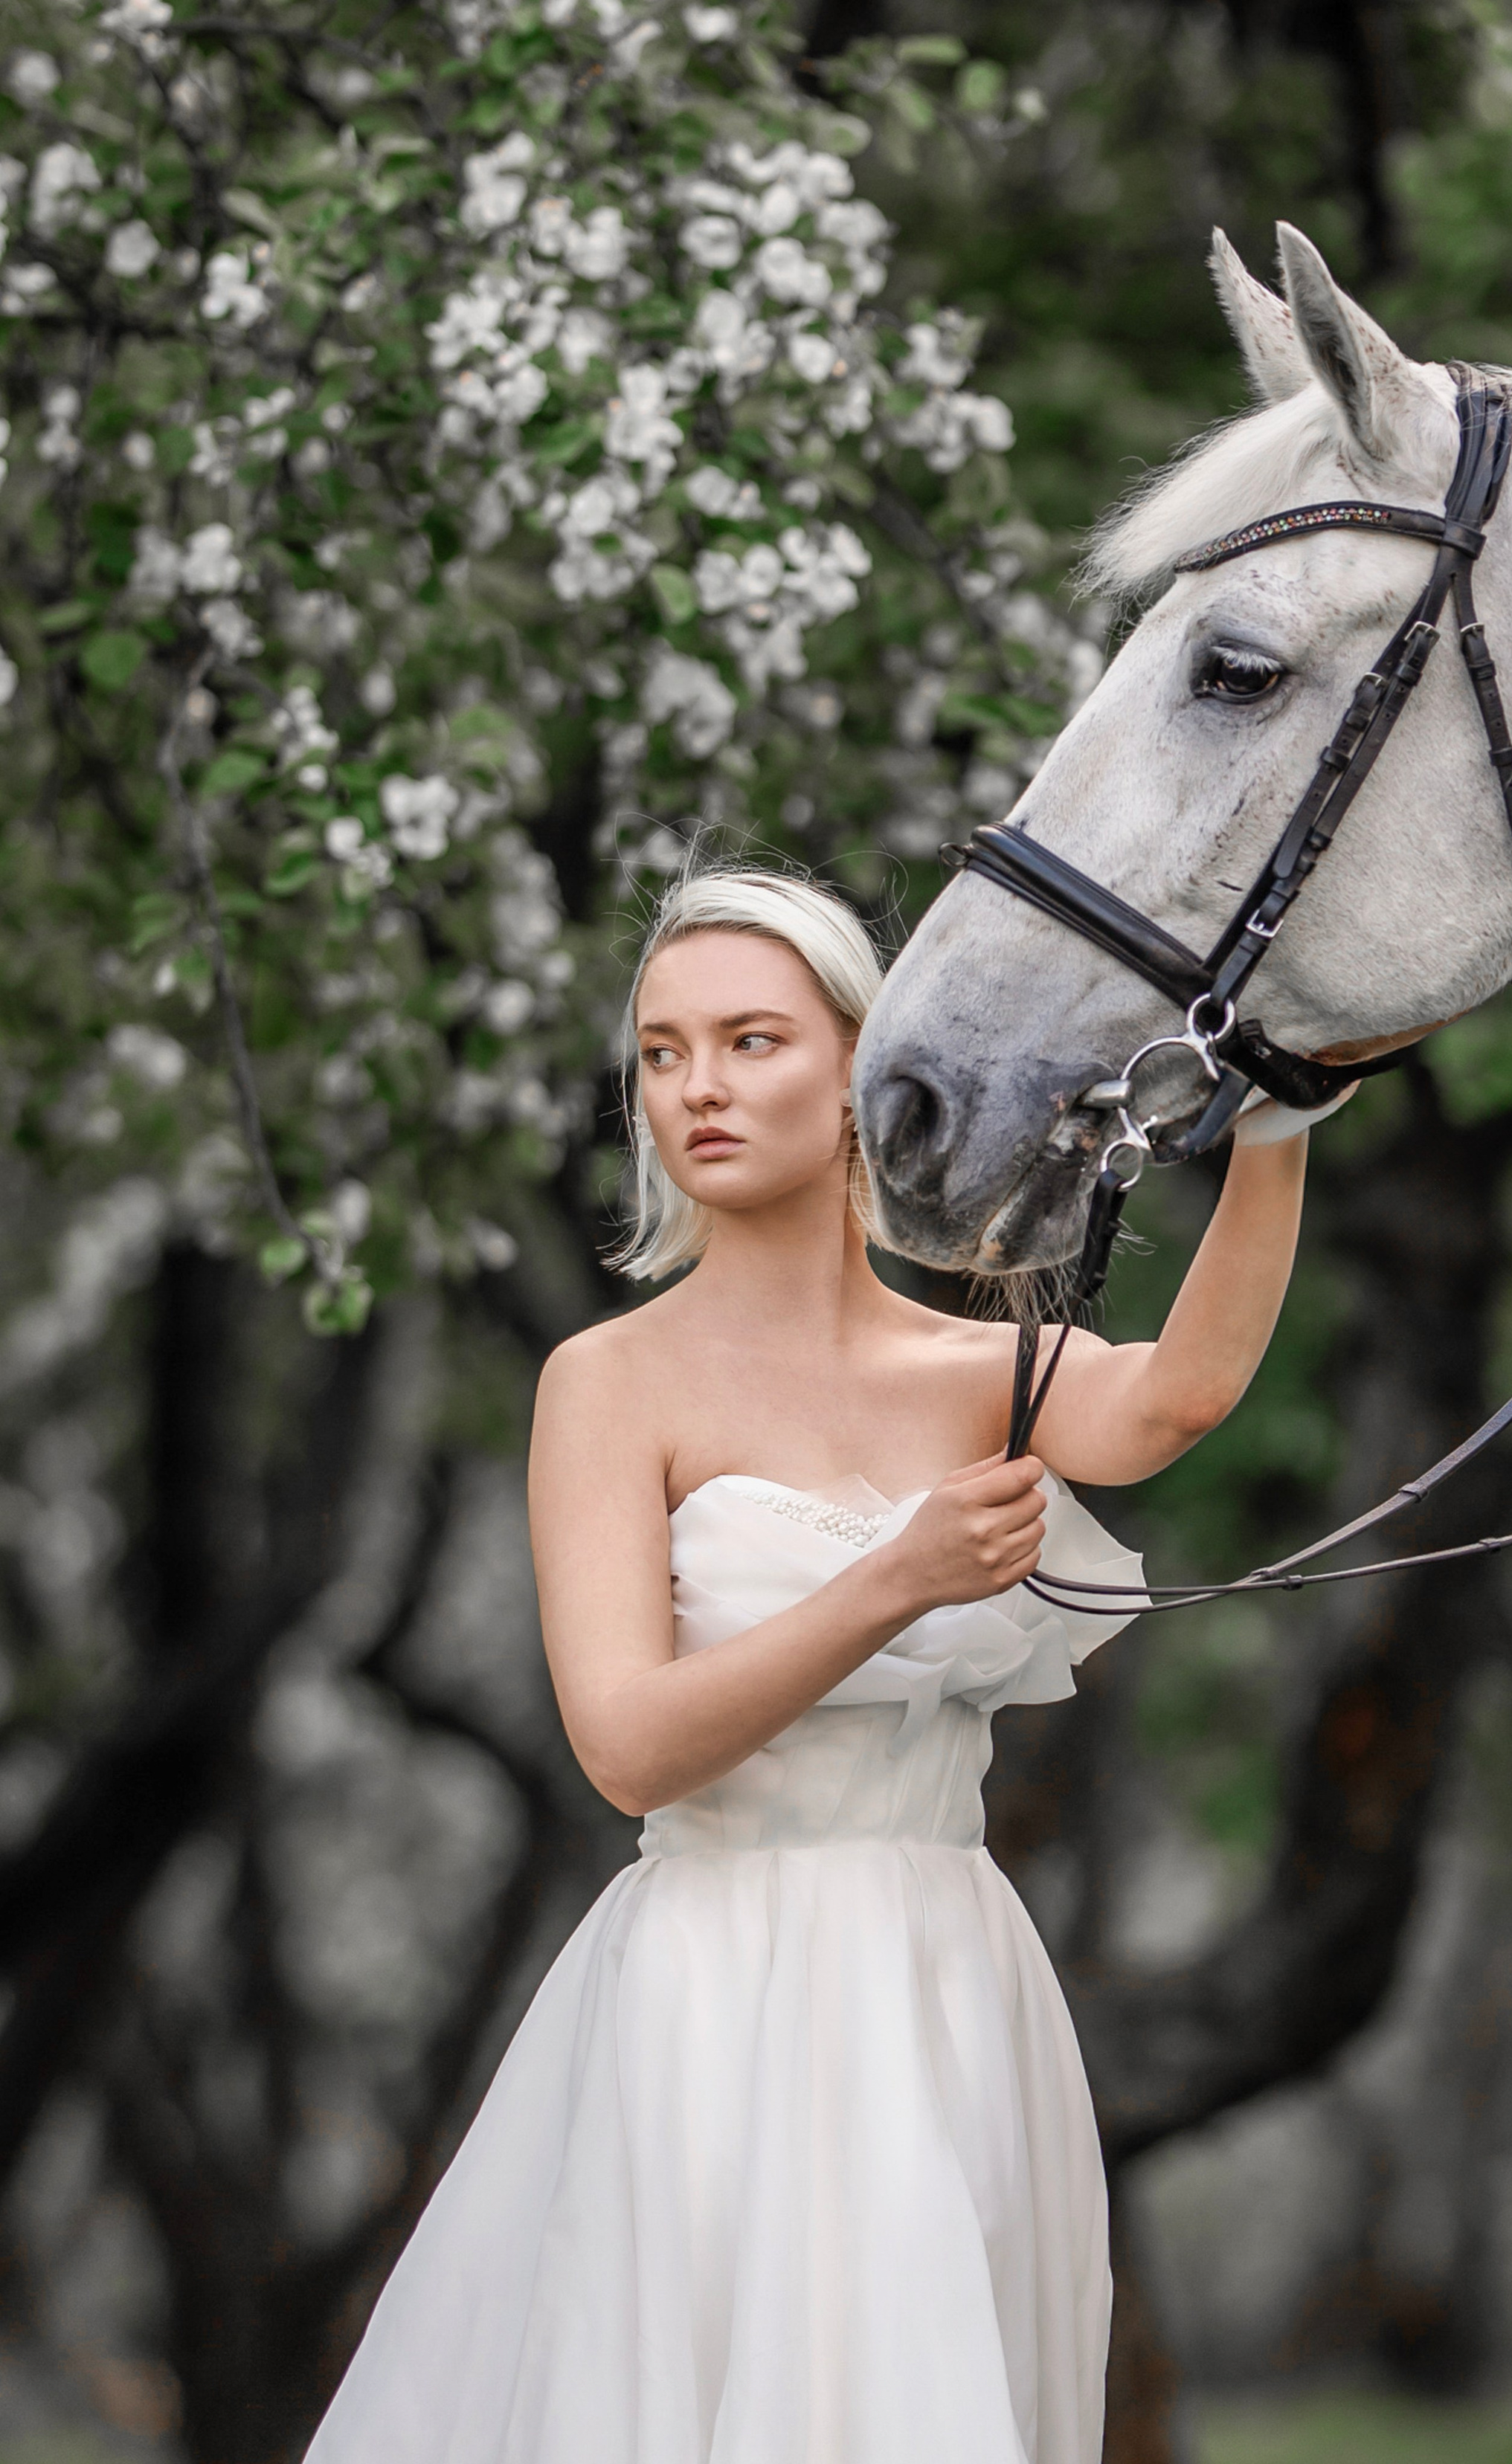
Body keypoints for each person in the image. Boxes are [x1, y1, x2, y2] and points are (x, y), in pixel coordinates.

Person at [303, 863, 1345, 2464]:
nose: (697, 1088)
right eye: (662, 1053)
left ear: (863, 1063)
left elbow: (1175, 1398)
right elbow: (627, 1745)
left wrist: (1277, 1122)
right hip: (712, 1989)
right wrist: (896, 1579)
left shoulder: (976, 1365)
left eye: (749, 1040)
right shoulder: (607, 1382)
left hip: (946, 1980)